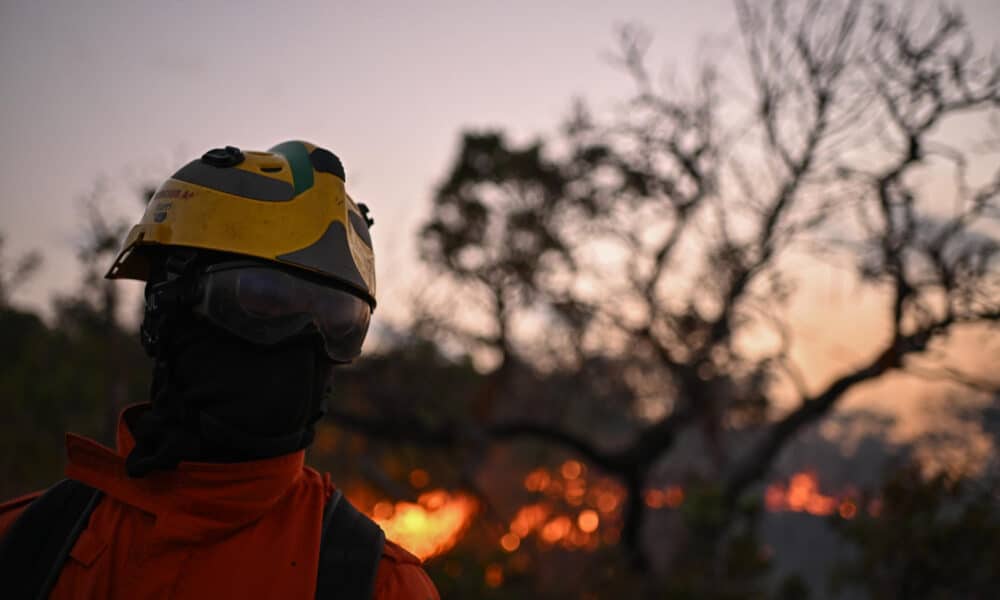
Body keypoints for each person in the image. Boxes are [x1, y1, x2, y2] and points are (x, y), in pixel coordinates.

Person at [0, 142, 440, 599]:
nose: (303, 345)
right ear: (165, 307)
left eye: (338, 320)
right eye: (263, 299)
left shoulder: (381, 585)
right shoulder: (27, 546)